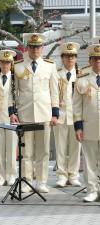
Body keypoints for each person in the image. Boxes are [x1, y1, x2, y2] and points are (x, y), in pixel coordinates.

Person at [9, 33, 59, 193]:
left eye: (38, 47)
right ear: (27, 48)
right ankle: (26, 181)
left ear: (42, 48)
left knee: (43, 151)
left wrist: (55, 113)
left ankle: (41, 182)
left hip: (44, 114)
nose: (35, 49)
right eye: (32, 46)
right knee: (26, 151)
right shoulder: (17, 66)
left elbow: (54, 91)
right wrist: (12, 112)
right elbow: (12, 92)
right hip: (25, 114)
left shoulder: (50, 66)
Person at [73, 43, 100, 202]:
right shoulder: (82, 79)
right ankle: (92, 190)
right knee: (89, 161)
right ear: (89, 61)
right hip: (88, 126)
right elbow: (76, 105)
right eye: (95, 59)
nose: (98, 62)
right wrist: (78, 127)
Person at [53, 42, 82, 188]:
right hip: (61, 116)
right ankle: (61, 175)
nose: (70, 59)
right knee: (60, 147)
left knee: (76, 148)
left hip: (76, 117)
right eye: (67, 56)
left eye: (72, 56)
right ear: (62, 58)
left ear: (76, 58)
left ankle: (74, 175)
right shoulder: (57, 74)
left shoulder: (82, 75)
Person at [0, 50, 17, 186]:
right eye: (3, 62)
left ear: (11, 63)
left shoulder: (17, 79)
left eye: (8, 62)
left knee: (12, 148)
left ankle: (11, 175)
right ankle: (0, 176)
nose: (5, 65)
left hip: (12, 118)